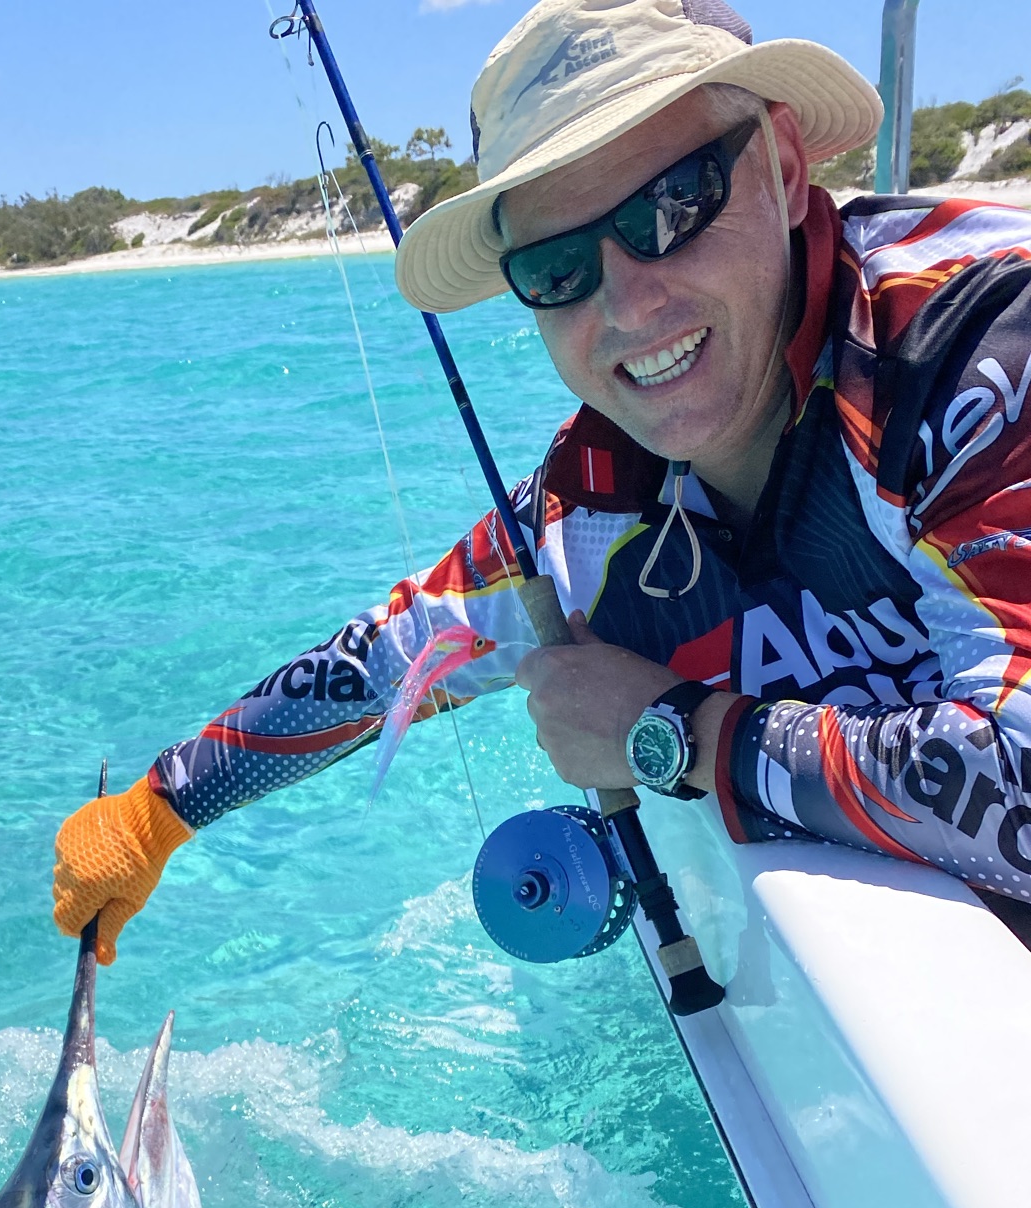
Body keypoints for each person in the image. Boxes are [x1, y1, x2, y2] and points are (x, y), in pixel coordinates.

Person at [53, 0, 1031, 965]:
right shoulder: (587, 517)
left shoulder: (978, 352)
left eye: (671, 204)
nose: (631, 306)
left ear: (780, 168)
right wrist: (157, 812)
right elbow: (387, 660)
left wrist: (670, 733)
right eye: (559, 267)